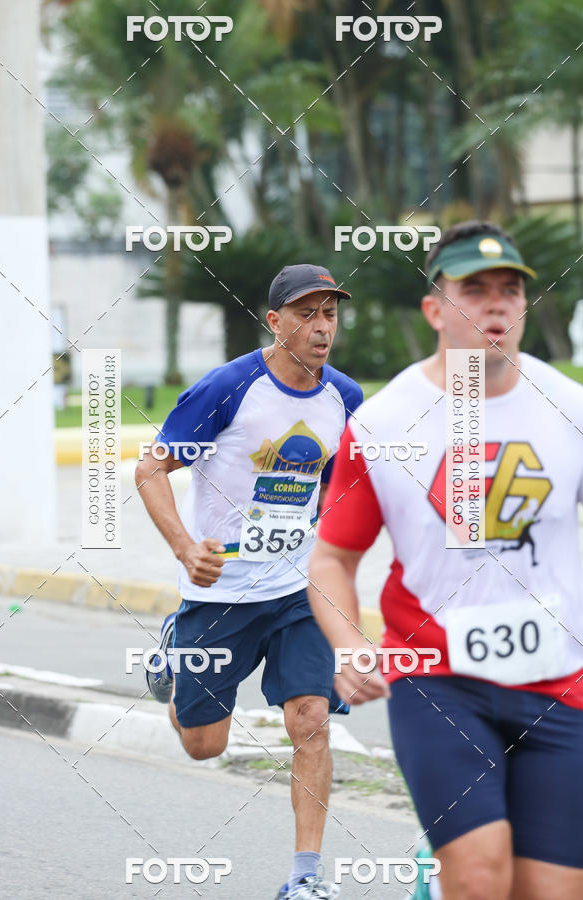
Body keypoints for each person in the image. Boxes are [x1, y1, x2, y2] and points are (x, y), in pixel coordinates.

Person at [307, 222, 583, 900]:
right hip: (438, 678)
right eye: (475, 289)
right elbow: (332, 558)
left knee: (549, 891)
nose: (496, 303)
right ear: (435, 308)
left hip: (558, 683)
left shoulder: (571, 410)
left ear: (523, 307)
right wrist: (349, 645)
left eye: (509, 290)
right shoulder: (382, 423)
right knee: (481, 876)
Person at [135, 264, 362, 900]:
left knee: (311, 720)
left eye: (330, 314)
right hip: (221, 595)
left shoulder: (345, 396)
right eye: (307, 314)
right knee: (205, 745)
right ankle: (171, 661)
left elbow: (336, 490)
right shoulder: (228, 388)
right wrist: (185, 548)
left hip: (298, 591)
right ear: (275, 320)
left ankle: (305, 879)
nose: (322, 328)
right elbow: (149, 471)